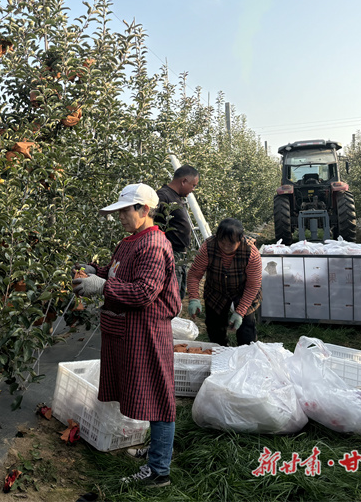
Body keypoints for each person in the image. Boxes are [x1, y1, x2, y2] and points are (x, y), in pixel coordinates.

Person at [72, 183, 180, 488]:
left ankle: (159, 470)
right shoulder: (130, 241)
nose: (120, 216)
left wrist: (102, 287)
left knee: (158, 395)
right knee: (146, 391)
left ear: (144, 209)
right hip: (129, 328)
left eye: (125, 210)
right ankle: (158, 448)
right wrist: (93, 270)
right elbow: (117, 271)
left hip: (148, 329)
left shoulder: (154, 245)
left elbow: (145, 292)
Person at [186, 218, 262, 346]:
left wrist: (240, 312)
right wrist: (194, 298)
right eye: (222, 242)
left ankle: (245, 357)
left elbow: (252, 286)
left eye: (231, 244)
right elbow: (194, 274)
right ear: (217, 237)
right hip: (216, 290)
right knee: (215, 328)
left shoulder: (251, 252)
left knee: (246, 330)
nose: (226, 247)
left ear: (240, 239)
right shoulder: (208, 247)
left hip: (243, 291)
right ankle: (219, 353)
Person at [155, 165, 199, 303]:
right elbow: (155, 227)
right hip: (170, 255)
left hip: (178, 256)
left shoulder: (175, 197)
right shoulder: (163, 196)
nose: (193, 190)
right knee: (170, 298)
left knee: (178, 295)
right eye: (193, 185)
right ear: (184, 181)